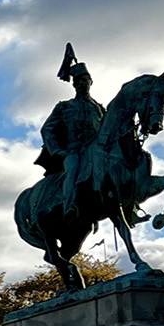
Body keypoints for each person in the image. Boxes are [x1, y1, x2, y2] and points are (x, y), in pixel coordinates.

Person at [35, 43, 106, 208]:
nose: (82, 83)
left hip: (96, 152)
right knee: (73, 170)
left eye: (85, 80)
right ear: (74, 84)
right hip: (75, 152)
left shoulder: (100, 109)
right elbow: (47, 129)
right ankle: (69, 205)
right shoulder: (64, 107)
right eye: (78, 81)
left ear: (91, 82)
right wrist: (58, 151)